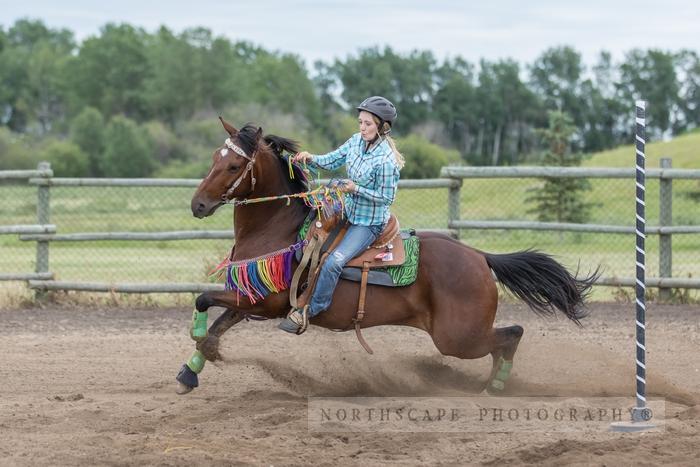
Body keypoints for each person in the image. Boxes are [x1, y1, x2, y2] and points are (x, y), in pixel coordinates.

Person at [278, 96, 405, 334]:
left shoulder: (386, 161)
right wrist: (310, 158)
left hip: (368, 224)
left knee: (335, 261)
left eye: (368, 124)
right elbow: (332, 159)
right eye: (360, 122)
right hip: (346, 210)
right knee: (308, 238)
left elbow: (386, 198)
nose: (362, 128)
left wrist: (355, 188)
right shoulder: (356, 141)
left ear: (382, 127)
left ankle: (313, 308)